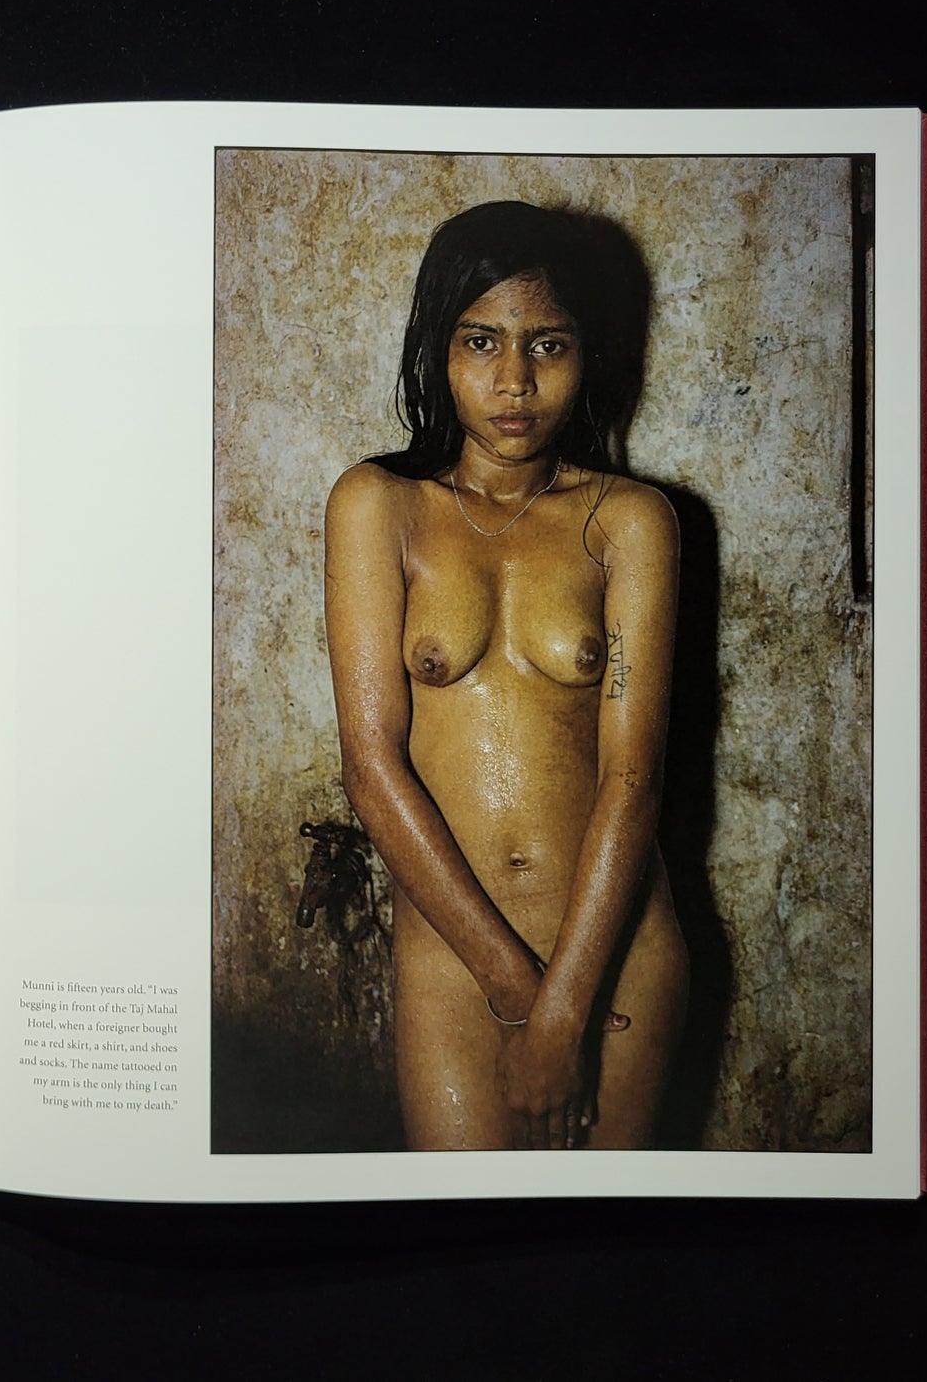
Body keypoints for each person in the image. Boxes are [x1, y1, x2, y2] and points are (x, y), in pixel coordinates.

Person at [323, 202, 687, 1150]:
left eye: (548, 345)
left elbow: (633, 780)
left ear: (589, 355)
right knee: (464, 1229)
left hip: (613, 962)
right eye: (481, 341)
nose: (514, 380)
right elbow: (371, 765)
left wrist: (566, 1009)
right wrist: (519, 994)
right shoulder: (380, 507)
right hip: (456, 959)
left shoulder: (630, 522)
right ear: (436, 351)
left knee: (605, 1239)